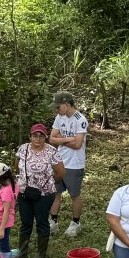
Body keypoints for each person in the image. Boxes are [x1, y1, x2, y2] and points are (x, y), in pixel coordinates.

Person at [14, 124, 63, 258]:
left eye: (41, 135)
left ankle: (41, 253)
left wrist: (46, 183)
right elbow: (17, 165)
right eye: (35, 135)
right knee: (26, 222)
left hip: (45, 194)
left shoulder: (52, 151)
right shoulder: (23, 148)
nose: (38, 138)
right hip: (24, 191)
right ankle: (22, 251)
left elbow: (60, 173)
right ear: (30, 136)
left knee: (42, 222)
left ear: (45, 137)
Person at [48, 91, 88, 237]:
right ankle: (53, 221)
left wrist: (61, 138)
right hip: (60, 161)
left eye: (58, 107)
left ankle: (76, 223)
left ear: (66, 104)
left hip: (75, 164)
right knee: (56, 192)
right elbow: (51, 139)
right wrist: (67, 139)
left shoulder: (80, 119)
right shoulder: (60, 117)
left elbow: (78, 144)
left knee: (74, 195)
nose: (56, 110)